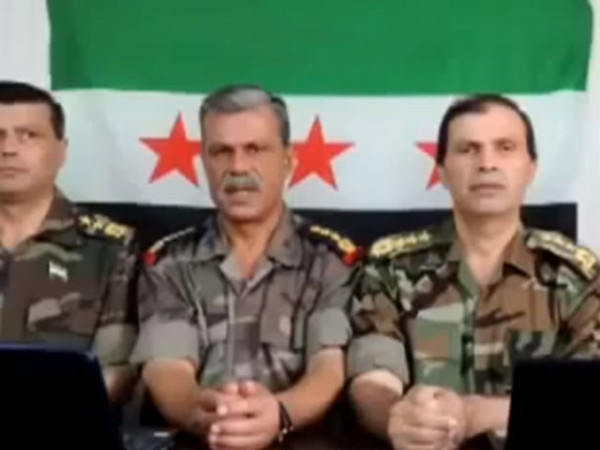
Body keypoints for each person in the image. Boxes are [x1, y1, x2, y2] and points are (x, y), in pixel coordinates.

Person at [347, 94, 600, 450]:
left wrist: (477, 413)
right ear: (441, 171)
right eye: (468, 149)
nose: (487, 164)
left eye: (505, 148)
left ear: (531, 168)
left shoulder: (576, 277)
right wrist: (397, 417)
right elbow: (372, 377)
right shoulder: (391, 268)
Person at [131, 84, 359, 449]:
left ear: (288, 160)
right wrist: (206, 413)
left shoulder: (330, 260)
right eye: (222, 151)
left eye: (255, 149)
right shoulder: (169, 261)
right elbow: (166, 369)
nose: (238, 168)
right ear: (204, 162)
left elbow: (328, 368)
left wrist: (279, 414)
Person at [0, 81, 139, 401]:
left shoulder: (110, 249)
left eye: (28, 135)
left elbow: (117, 369)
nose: (8, 149)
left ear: (61, 151)